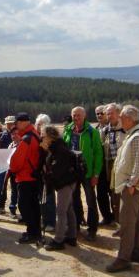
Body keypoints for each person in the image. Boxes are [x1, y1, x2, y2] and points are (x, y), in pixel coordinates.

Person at [106, 105, 139, 272]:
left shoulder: (137, 137)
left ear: (130, 119)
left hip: (132, 187)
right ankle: (138, 252)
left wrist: (131, 184)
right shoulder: (133, 135)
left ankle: (124, 258)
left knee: (127, 223)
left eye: (123, 118)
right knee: (136, 220)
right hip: (131, 185)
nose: (120, 120)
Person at [63, 106, 104, 241]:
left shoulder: (92, 132)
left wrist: (96, 174)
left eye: (79, 115)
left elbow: (98, 154)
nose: (76, 118)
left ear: (85, 116)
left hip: (87, 172)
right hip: (72, 172)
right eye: (74, 115)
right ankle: (77, 225)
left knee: (91, 201)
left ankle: (92, 229)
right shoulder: (68, 130)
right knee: (74, 200)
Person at [40, 126, 79, 250]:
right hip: (67, 182)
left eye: (43, 135)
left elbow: (57, 171)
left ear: (50, 137)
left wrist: (47, 175)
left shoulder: (60, 149)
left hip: (65, 183)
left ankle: (58, 241)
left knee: (61, 211)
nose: (41, 137)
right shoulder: (55, 147)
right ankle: (71, 237)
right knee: (68, 209)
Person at [8, 112, 43, 244]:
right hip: (34, 176)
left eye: (17, 123)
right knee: (34, 205)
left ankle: (32, 232)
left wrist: (12, 168)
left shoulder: (26, 139)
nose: (16, 126)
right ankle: (36, 231)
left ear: (23, 123)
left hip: (25, 177)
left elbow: (16, 162)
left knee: (24, 206)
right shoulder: (35, 134)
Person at [102, 103, 127, 230]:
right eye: (107, 113)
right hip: (110, 168)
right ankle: (120, 226)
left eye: (111, 113)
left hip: (124, 168)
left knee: (129, 200)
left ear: (119, 113)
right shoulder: (105, 130)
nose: (109, 115)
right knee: (115, 199)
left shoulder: (126, 129)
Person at [35, 114, 56, 233]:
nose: (39, 126)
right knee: (40, 198)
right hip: (38, 173)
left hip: (49, 173)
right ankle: (43, 220)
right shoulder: (36, 137)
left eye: (42, 124)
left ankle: (51, 223)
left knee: (49, 197)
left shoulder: (49, 139)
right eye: (38, 124)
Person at [94, 104, 113, 226]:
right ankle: (107, 217)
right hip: (100, 168)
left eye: (102, 113)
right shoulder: (95, 129)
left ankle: (118, 219)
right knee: (101, 195)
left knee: (114, 195)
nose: (100, 115)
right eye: (97, 114)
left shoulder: (114, 128)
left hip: (111, 166)